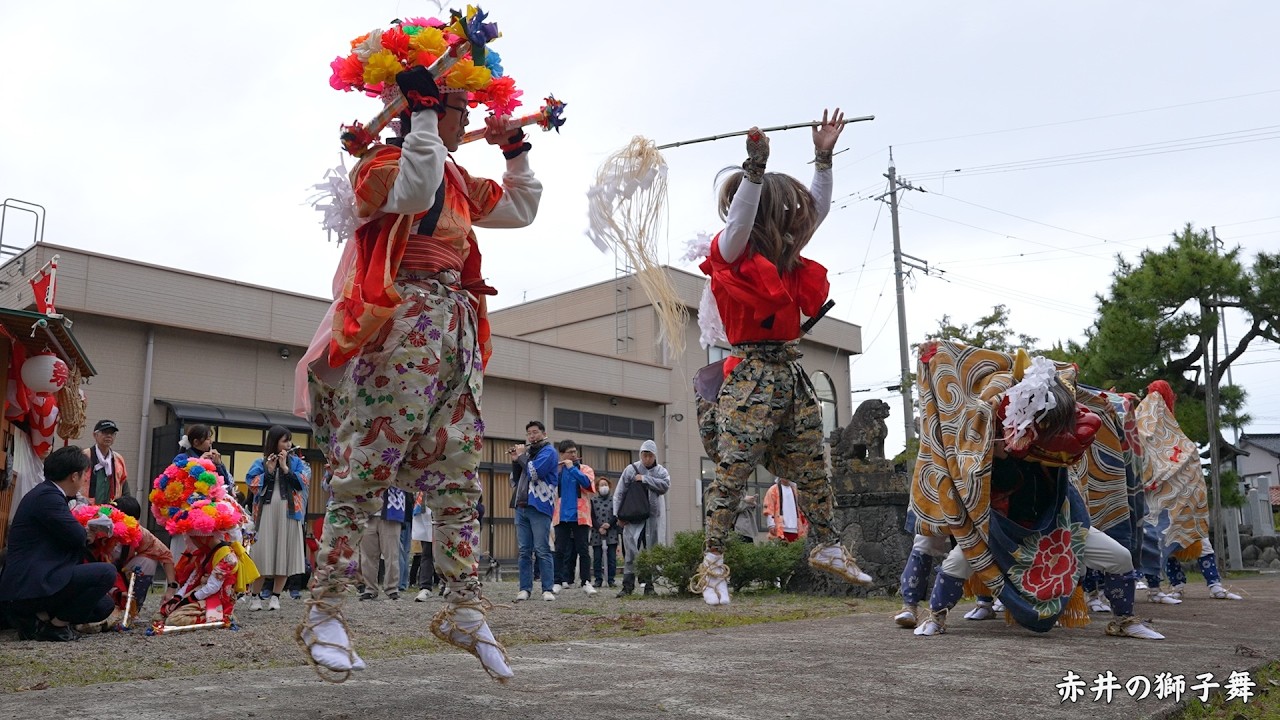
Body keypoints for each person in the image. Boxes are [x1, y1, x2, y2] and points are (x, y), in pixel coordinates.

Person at [298, 15, 544, 681]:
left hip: (454, 328)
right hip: (402, 323)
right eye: (456, 106)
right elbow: (411, 187)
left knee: (460, 469)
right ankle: (326, 606)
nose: (466, 118)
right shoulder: (379, 165)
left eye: (460, 108)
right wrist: (425, 123)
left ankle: (465, 604)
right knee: (369, 465)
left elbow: (520, 209)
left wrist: (515, 146)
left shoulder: (459, 178)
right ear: (424, 109)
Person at [692, 111, 873, 607]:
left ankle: (828, 545)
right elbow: (741, 222)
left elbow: (819, 208)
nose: (796, 221)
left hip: (790, 375)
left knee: (815, 462)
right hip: (750, 375)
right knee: (733, 468)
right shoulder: (731, 254)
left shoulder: (785, 256)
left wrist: (824, 157)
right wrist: (755, 168)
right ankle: (712, 561)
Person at [909, 345, 1161, 640]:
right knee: (957, 561)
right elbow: (964, 454)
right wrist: (997, 451)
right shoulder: (989, 444)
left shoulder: (1060, 438)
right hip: (999, 529)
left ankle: (1124, 621)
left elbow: (1079, 436)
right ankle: (936, 617)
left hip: (1056, 527)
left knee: (1119, 557)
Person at [0, 446, 116, 641]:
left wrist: (84, 532)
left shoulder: (46, 493)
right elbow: (76, 536)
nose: (84, 480)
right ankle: (55, 626)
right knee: (107, 573)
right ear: (74, 476)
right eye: (83, 475)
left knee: (103, 606)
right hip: (30, 584)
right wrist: (88, 533)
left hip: (40, 577)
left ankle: (39, 618)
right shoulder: (48, 497)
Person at [149, 455, 259, 629]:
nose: (190, 541)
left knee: (174, 620)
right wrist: (178, 598)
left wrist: (185, 600)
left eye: (192, 538)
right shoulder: (204, 553)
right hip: (202, 590)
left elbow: (212, 587)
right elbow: (193, 578)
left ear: (203, 537)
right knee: (164, 612)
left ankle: (223, 616)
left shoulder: (227, 557)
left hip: (217, 598)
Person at [246, 425, 310, 611]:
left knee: (284, 553)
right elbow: (252, 485)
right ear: (274, 443)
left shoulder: (297, 463)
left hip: (289, 513)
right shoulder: (261, 461)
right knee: (261, 554)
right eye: (284, 440)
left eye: (289, 440)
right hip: (265, 513)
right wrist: (269, 470)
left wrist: (285, 468)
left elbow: (302, 483)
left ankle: (276, 596)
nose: (288, 444)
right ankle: (255, 597)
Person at [613, 440, 670, 597]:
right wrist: (618, 515)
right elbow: (619, 493)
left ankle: (649, 586)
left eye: (649, 455)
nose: (646, 459)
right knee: (630, 549)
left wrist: (644, 479)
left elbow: (665, 485)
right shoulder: (630, 470)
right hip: (633, 516)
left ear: (654, 456)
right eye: (644, 455)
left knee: (651, 550)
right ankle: (627, 585)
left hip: (653, 516)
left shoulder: (661, 471)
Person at [510, 421, 559, 603]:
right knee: (524, 550)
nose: (532, 436)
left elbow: (534, 473)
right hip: (521, 505)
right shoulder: (528, 453)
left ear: (544, 433)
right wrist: (515, 460)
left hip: (540, 505)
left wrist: (522, 457)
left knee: (542, 549)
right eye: (529, 433)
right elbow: (515, 479)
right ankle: (524, 588)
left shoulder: (549, 452)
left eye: (535, 432)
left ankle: (547, 588)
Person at [109, 496, 178, 616]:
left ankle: (132, 607)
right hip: (103, 575)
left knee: (148, 562)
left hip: (122, 573)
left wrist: (171, 587)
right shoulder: (102, 529)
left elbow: (165, 554)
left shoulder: (139, 533)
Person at [553, 439, 596, 595]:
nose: (573, 454)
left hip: (581, 515)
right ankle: (557, 581)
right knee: (559, 550)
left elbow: (588, 485)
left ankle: (586, 581)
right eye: (569, 452)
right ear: (562, 454)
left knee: (583, 550)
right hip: (561, 514)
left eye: (574, 451)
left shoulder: (585, 469)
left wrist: (572, 469)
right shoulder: (557, 470)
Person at [358, 486, 406, 601]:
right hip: (366, 512)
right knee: (367, 556)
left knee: (392, 554)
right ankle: (370, 589)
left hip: (392, 509)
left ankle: (392, 588)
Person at [82, 420, 129, 504]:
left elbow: (123, 483)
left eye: (112, 433)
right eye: (105, 432)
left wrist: (126, 503)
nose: (109, 436)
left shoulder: (118, 459)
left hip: (111, 508)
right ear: (95, 435)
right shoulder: (84, 456)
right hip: (86, 508)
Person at [180, 424, 234, 495]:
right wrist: (199, 462)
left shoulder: (211, 459)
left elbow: (226, 485)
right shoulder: (182, 458)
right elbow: (181, 480)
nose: (211, 442)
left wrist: (219, 465)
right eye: (208, 439)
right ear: (196, 442)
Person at [590, 476, 621, 588]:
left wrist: (609, 524)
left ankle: (611, 579)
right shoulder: (593, 500)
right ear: (597, 488)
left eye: (605, 484)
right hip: (596, 532)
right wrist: (599, 527)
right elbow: (591, 516)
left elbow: (616, 514)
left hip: (611, 532)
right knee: (597, 557)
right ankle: (598, 579)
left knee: (611, 558)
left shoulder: (614, 499)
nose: (604, 487)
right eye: (601, 485)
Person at [763, 477, 809, 542]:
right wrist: (771, 524)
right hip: (780, 528)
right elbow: (769, 507)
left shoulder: (796, 491)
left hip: (796, 528)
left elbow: (802, 509)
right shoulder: (773, 490)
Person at [412, 492, 437, 602]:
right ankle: (425, 586)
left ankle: (449, 585)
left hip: (445, 507)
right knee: (427, 553)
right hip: (426, 512)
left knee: (447, 553)